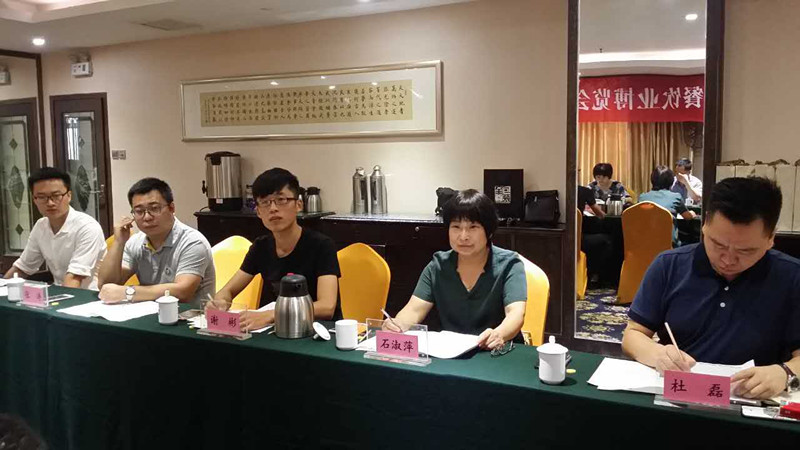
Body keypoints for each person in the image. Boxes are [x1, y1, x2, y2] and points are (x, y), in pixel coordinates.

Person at [621, 177, 800, 400]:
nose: (728, 259)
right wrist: (658, 354)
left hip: (752, 402)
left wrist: (785, 373)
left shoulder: (792, 277)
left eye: (745, 251)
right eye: (718, 244)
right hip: (677, 397)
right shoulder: (669, 265)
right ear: (705, 224)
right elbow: (634, 334)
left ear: (771, 238)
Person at [385, 189, 527, 350]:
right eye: (456, 227)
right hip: (452, 353)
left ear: (489, 231)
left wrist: (499, 334)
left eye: (473, 227)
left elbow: (516, 314)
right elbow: (414, 310)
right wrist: (397, 325)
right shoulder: (438, 266)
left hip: (497, 351)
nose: (463, 236)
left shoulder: (509, 264)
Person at [207, 168, 340, 332]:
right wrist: (220, 302)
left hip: (318, 332)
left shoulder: (322, 245)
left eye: (281, 200)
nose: (273, 208)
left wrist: (271, 315)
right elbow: (228, 290)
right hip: (278, 331)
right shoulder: (261, 246)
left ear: (298, 205)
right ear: (258, 212)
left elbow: (326, 307)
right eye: (265, 202)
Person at [97, 178, 215, 305]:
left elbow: (182, 292)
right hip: (148, 312)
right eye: (139, 211)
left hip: (190, 315)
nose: (147, 217)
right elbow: (106, 286)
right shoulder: (136, 242)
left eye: (154, 208)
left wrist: (128, 292)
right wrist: (118, 242)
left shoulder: (193, 242)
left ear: (171, 208)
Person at [3, 167, 105, 289]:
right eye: (42, 197)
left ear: (69, 196)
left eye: (56, 196)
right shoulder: (41, 226)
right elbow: (22, 268)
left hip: (89, 295)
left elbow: (75, 277)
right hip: (60, 292)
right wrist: (2, 286)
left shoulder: (87, 227)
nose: (50, 203)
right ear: (34, 200)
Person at [639, 165, 696, 247]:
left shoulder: (642, 198)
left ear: (652, 180)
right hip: (669, 246)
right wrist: (692, 213)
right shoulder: (675, 197)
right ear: (671, 181)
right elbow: (688, 217)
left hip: (644, 244)